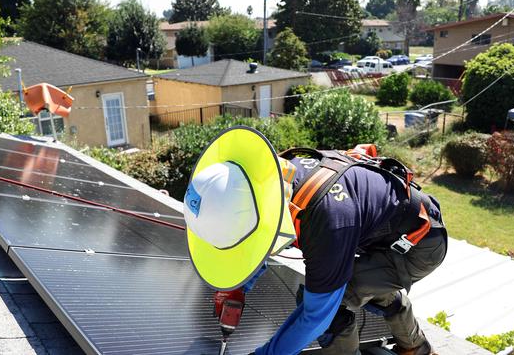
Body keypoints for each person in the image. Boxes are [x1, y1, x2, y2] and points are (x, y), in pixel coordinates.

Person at [183, 126, 447, 355]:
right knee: (357, 281)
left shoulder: (327, 223)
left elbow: (315, 318)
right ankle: (416, 345)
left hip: (418, 245)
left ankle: (410, 348)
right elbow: (260, 234)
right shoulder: (272, 175)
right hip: (384, 228)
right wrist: (239, 286)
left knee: (332, 300)